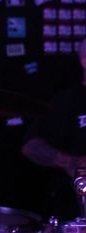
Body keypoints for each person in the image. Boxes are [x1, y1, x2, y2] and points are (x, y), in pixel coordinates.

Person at [21, 37, 86, 219]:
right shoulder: (68, 101)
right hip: (76, 204)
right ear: (84, 62)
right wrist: (73, 163)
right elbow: (30, 146)